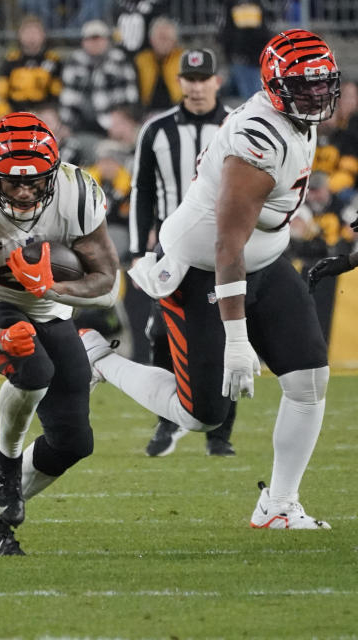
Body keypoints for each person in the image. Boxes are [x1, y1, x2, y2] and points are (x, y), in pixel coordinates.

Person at [82, 30, 341, 529]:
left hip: (265, 260)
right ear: (273, 85)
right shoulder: (257, 140)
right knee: (201, 413)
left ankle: (279, 505)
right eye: (303, 87)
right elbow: (227, 245)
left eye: (321, 85)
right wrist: (238, 339)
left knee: (309, 380)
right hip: (202, 268)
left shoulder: (293, 118)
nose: (315, 97)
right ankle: (100, 358)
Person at [0, 112, 120, 555]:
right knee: (33, 368)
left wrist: (54, 286)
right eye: (11, 182)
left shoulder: (78, 193)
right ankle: (6, 460)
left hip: (50, 305)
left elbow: (108, 286)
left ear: (54, 175)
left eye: (35, 182)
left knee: (74, 442)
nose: (23, 192)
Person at [130, 48, 237, 457]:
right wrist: (141, 250)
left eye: (202, 78)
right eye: (188, 79)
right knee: (160, 333)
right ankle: (167, 419)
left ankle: (220, 433)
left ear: (216, 80)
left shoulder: (236, 125)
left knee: (230, 335)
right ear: (180, 82)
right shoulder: (155, 131)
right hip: (172, 250)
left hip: (223, 248)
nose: (195, 87)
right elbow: (141, 193)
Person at [58, 20, 139, 136]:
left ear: (107, 40)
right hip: (81, 123)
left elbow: (131, 95)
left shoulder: (119, 59)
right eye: (91, 39)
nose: (95, 43)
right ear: (83, 42)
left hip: (113, 120)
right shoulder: (74, 61)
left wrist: (122, 119)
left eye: (99, 38)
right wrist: (65, 124)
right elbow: (68, 97)